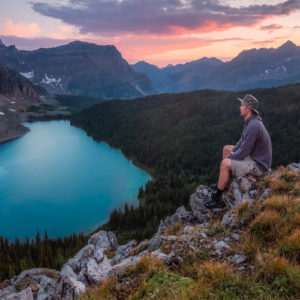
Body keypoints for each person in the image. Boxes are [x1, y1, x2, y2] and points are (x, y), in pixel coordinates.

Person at [204, 94, 272, 209]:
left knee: (225, 163)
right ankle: (223, 184)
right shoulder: (250, 122)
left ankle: (217, 199)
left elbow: (244, 152)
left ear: (248, 108)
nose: (239, 107)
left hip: (259, 165)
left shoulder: (253, 126)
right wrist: (232, 152)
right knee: (226, 148)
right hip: (254, 157)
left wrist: (232, 157)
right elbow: (241, 143)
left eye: (242, 105)